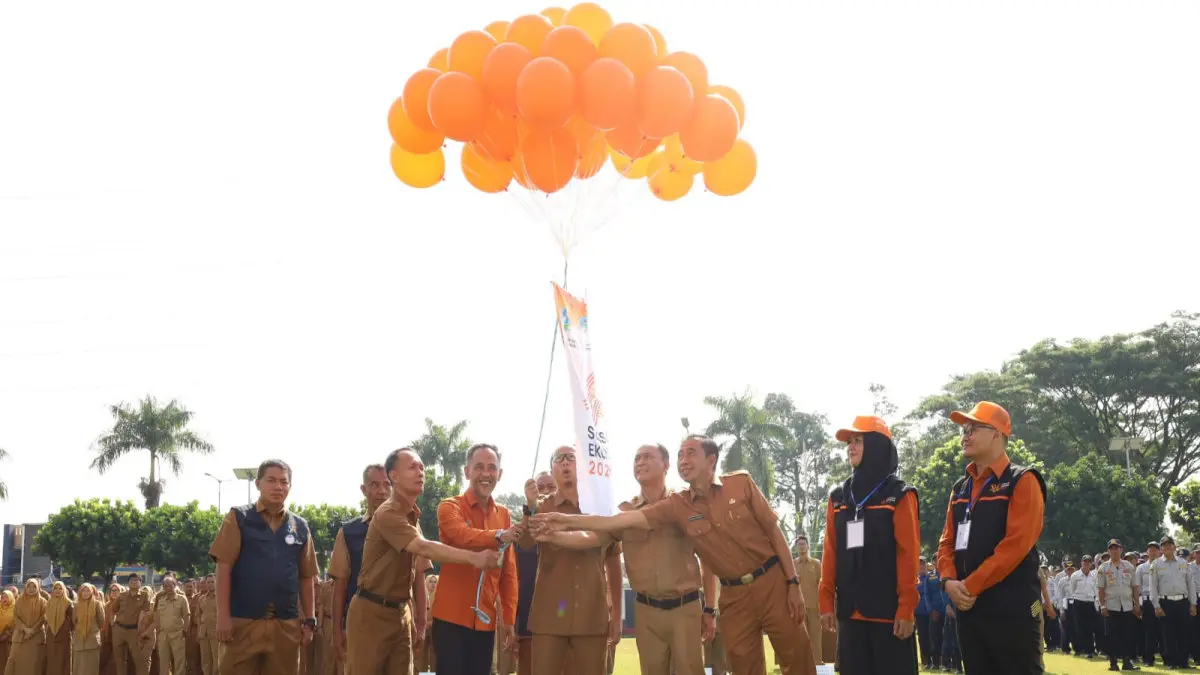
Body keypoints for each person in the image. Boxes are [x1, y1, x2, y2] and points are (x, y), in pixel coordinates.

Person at [532, 435, 817, 675]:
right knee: (744, 666)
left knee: (798, 659)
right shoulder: (655, 507)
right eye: (637, 458)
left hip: (726, 595)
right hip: (678, 605)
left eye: (689, 453)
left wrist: (790, 583)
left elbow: (759, 537)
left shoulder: (713, 493)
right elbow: (602, 530)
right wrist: (557, 528)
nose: (641, 463)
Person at [534, 443, 716, 675]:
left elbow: (708, 558)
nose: (640, 462)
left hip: (684, 607)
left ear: (666, 465)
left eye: (648, 457)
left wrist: (710, 608)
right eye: (637, 458)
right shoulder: (625, 509)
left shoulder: (684, 503)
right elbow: (592, 538)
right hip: (646, 610)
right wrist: (554, 536)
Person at [344, 447, 500, 675]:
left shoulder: (411, 516)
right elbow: (423, 547)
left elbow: (419, 572)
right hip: (371, 612)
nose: (420, 472)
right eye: (412, 467)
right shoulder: (388, 512)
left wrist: (419, 618)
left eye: (421, 467)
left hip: (400, 612)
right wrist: (475, 558)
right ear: (394, 476)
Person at [936, 401, 1047, 675]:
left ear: (997, 433)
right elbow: (946, 542)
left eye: (974, 428)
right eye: (964, 429)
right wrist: (948, 581)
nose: (965, 435)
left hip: (1012, 611)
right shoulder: (960, 488)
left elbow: (1015, 546)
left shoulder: (1023, 480)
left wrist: (969, 586)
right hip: (969, 609)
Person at [816, 416, 919, 675]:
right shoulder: (838, 497)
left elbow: (908, 554)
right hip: (851, 614)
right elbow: (830, 551)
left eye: (858, 441)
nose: (850, 447)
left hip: (890, 615)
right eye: (849, 442)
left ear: (876, 445)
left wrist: (907, 607)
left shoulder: (900, 494)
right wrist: (826, 599)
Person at [516, 445, 623, 675]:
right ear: (552, 468)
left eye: (570, 458)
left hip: (591, 615)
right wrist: (530, 508)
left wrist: (616, 614)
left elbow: (613, 562)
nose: (565, 463)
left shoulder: (600, 507)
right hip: (549, 617)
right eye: (558, 459)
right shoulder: (542, 507)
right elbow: (525, 543)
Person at [208, 459, 319, 675]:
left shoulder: (300, 526)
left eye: (283, 482)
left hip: (285, 624)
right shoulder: (238, 518)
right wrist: (223, 618)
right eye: (271, 480)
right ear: (258, 483)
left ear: (289, 487)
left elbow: (307, 576)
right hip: (243, 622)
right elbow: (223, 568)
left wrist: (310, 619)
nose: (278, 487)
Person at [431, 443, 522, 675]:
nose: (486, 474)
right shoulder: (449, 506)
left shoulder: (504, 514)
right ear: (467, 472)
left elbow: (508, 572)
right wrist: (500, 535)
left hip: (485, 621)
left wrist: (509, 619)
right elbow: (460, 535)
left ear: (499, 475)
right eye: (479, 467)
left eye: (492, 468)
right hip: (450, 618)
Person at [329, 463, 393, 667]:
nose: (382, 491)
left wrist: (418, 624)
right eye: (374, 485)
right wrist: (337, 631)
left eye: (387, 484)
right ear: (364, 490)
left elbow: (417, 575)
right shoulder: (349, 532)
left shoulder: (409, 526)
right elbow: (340, 585)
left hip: (398, 621)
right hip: (360, 623)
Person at [514, 471, 555, 675]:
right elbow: (513, 579)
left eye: (550, 487)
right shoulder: (520, 531)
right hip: (528, 620)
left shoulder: (572, 524)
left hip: (561, 620)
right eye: (540, 488)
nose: (545, 492)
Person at [1149, 535, 1195, 669]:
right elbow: (1153, 587)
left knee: (1184, 633)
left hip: (1183, 601)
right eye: (1164, 545)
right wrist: (1156, 605)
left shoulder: (1183, 563)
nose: (1168, 547)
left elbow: (1190, 584)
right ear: (1161, 549)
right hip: (1166, 602)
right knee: (1168, 635)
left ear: (1174, 547)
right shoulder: (1156, 564)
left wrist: (1193, 604)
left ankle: (1183, 662)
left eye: (1170, 545)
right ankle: (1172, 662)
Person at [1095, 539, 1140, 671]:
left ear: (1121, 549)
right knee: (1111, 635)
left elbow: (1135, 587)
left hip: (1126, 605)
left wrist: (1136, 604)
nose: (1114, 550)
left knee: (1127, 635)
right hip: (1111, 606)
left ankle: (1127, 662)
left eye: (1116, 548)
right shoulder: (1103, 568)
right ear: (1108, 551)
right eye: (1111, 548)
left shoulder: (1129, 566)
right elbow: (1101, 589)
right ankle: (1113, 662)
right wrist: (1102, 605)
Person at [113, 574, 153, 675]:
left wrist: (142, 631)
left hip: (134, 631)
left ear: (140, 583)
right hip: (119, 629)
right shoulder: (122, 595)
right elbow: (113, 609)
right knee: (119, 660)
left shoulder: (144, 595)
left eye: (136, 580)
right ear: (128, 582)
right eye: (131, 580)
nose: (134, 582)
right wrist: (112, 622)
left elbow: (145, 613)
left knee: (139, 660)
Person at [6, 578, 47, 675]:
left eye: (34, 587)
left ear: (38, 588)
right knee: (14, 662)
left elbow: (43, 618)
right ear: (25, 587)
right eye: (29, 586)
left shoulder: (43, 602)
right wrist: (24, 628)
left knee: (33, 665)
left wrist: (32, 630)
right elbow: (15, 616)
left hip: (36, 638)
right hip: (20, 637)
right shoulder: (19, 600)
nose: (31, 589)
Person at [793, 535, 823, 664]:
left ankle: (817, 664)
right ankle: (802, 665)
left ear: (808, 546)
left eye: (803, 544)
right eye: (799, 544)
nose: (802, 546)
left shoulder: (816, 564)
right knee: (800, 639)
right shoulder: (792, 564)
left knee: (816, 637)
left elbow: (822, 585)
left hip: (814, 607)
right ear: (796, 547)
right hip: (798, 608)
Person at [151, 575, 190, 675]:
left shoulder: (182, 599)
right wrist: (158, 631)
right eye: (165, 586)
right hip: (163, 635)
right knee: (163, 662)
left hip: (177, 634)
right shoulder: (161, 600)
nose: (168, 588)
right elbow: (157, 616)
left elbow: (186, 616)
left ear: (175, 585)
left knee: (179, 662)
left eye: (170, 585)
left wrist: (185, 630)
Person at [1070, 555, 1099, 658]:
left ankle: (1089, 650)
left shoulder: (1094, 576)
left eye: (1088, 562)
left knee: (1090, 628)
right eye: (1084, 562)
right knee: (1079, 627)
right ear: (1081, 563)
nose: (1086, 564)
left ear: (1091, 564)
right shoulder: (1075, 575)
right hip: (1079, 602)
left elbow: (1096, 589)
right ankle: (1078, 649)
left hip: (1090, 603)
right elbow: (1072, 589)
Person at [74, 583, 105, 675]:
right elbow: (74, 621)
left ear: (92, 592)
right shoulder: (76, 605)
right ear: (80, 592)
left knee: (91, 666)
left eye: (88, 591)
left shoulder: (97, 604)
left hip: (92, 640)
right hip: (79, 640)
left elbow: (101, 621)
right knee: (79, 666)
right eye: (83, 590)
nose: (86, 593)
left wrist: (93, 630)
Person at [44, 581, 73, 675]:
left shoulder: (68, 603)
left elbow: (72, 621)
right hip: (51, 636)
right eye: (55, 588)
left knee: (63, 660)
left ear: (64, 590)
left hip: (63, 636)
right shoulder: (49, 602)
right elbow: (46, 619)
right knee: (51, 660)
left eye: (60, 588)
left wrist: (66, 628)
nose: (57, 590)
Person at [198, 576, 220, 675]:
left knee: (217, 659)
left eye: (212, 581)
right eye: (208, 582)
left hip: (216, 633)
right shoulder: (201, 598)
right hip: (203, 633)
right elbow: (197, 615)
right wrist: (200, 627)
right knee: (205, 659)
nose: (210, 584)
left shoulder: (221, 597)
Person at [0, 589, 14, 674]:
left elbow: (16, 624)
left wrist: (7, 634)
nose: (4, 599)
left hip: (9, 640)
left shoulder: (15, 609)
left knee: (7, 661)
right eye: (2, 597)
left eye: (6, 597)